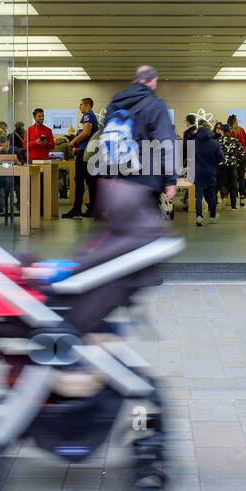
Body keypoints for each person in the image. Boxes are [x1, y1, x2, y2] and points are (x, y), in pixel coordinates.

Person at [73, 65, 178, 330]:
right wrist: (171, 180)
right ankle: (138, 276)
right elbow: (166, 140)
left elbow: (104, 141)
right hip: (145, 178)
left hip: (115, 177)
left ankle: (105, 269)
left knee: (119, 227)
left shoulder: (114, 103)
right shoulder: (155, 104)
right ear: (152, 82)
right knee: (151, 228)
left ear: (135, 80)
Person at [64, 96, 98, 219]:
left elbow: (86, 133)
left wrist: (73, 141)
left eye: (81, 105)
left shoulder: (88, 115)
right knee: (90, 181)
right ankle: (93, 209)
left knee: (79, 180)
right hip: (91, 152)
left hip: (85, 152)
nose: (80, 107)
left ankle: (76, 208)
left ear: (87, 105)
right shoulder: (92, 116)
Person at [192, 118, 223, 226]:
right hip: (210, 172)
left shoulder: (194, 143)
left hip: (198, 172)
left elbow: (189, 156)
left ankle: (199, 217)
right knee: (212, 195)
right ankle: (212, 217)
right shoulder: (215, 144)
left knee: (199, 196)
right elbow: (220, 158)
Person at [216, 122, 245, 210]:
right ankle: (233, 206)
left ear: (222, 131)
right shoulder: (235, 141)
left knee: (219, 183)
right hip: (232, 165)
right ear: (229, 131)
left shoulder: (217, 141)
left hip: (220, 165)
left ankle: (220, 199)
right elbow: (242, 153)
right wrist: (237, 162)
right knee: (233, 184)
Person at [227, 114, 246, 201]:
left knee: (233, 177)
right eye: (236, 121)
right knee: (241, 177)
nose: (237, 122)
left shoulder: (230, 132)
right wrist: (243, 151)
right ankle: (242, 195)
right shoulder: (241, 130)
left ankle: (234, 195)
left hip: (233, 157)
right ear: (233, 122)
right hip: (242, 156)